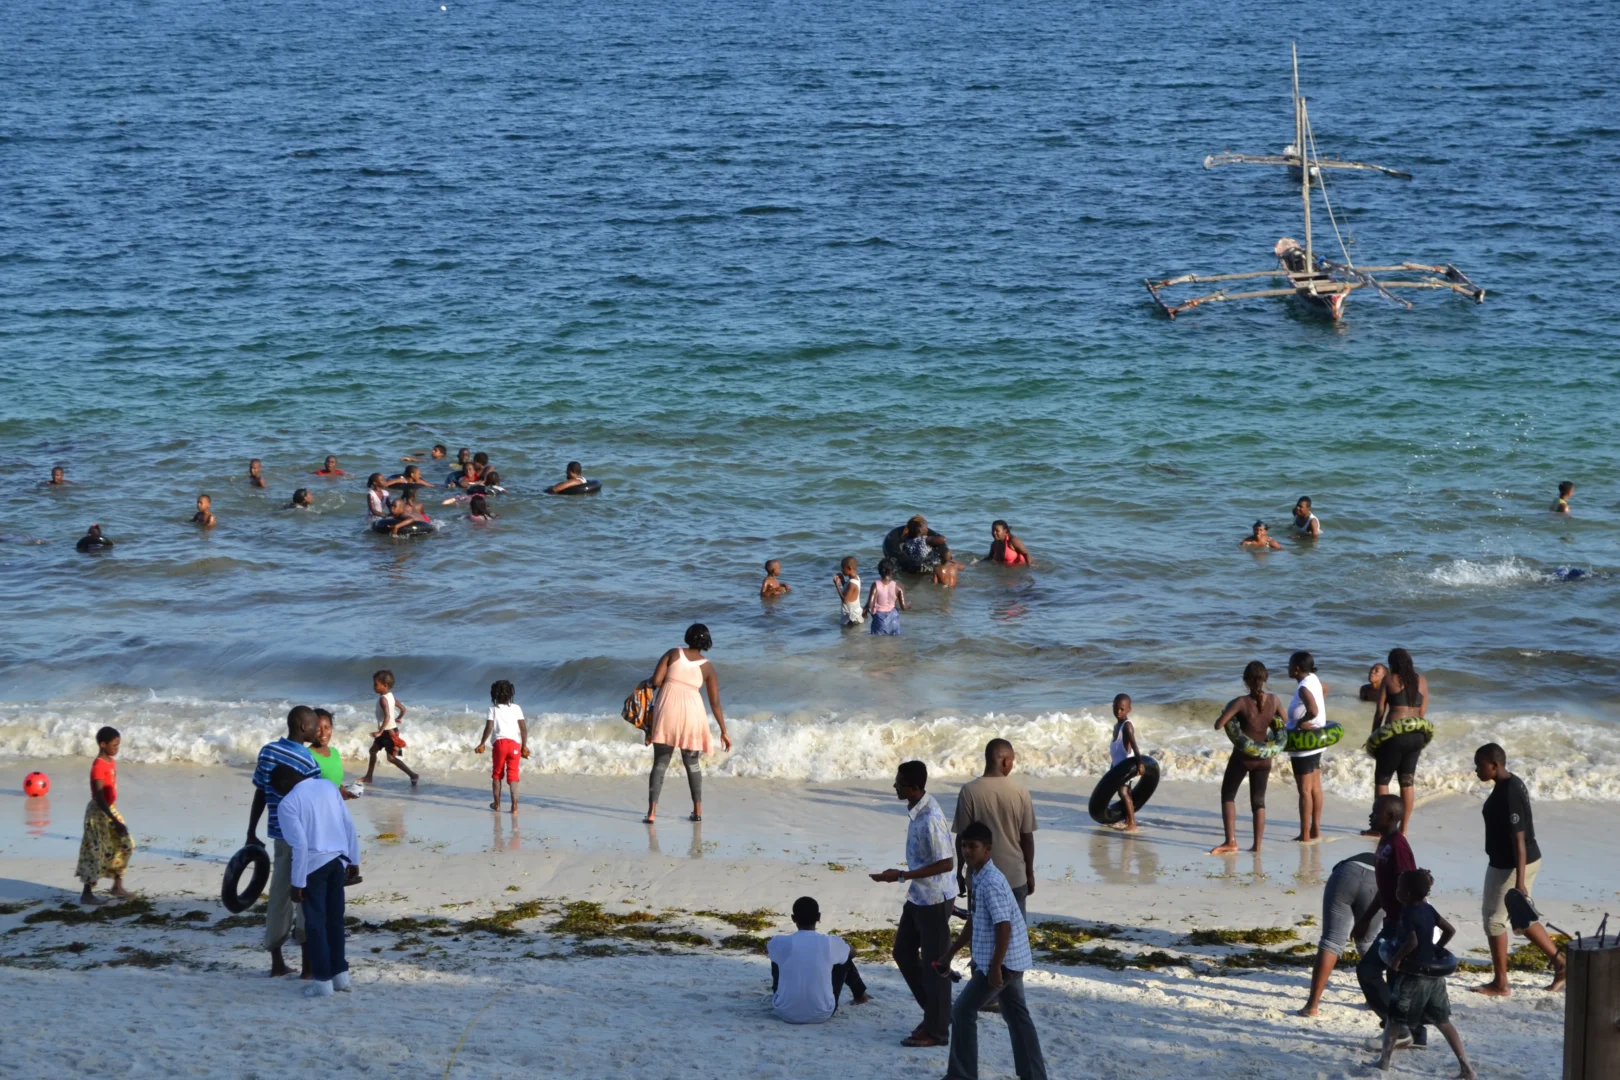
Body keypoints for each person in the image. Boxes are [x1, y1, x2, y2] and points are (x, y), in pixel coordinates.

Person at [939, 821, 1047, 1080]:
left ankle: (961, 1076)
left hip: (1004, 961)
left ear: (987, 849)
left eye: (973, 846)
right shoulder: (978, 876)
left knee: (963, 1011)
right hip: (1011, 958)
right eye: (964, 845)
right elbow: (974, 921)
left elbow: (1004, 927)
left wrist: (997, 967)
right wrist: (949, 954)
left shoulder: (990, 882)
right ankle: (1034, 1075)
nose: (967, 851)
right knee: (1017, 1017)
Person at [870, 760, 955, 1047]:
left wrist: (901, 875)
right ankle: (936, 1014)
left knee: (935, 965)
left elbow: (946, 863)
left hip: (933, 899)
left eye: (899, 782)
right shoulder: (917, 810)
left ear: (915, 788)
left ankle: (938, 1030)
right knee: (902, 953)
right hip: (920, 895)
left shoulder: (929, 817)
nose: (895, 785)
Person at [1470, 743, 1566, 995]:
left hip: (1512, 864)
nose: (1475, 770)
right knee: (1521, 915)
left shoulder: (1509, 791)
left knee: (1493, 921)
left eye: (1479, 765)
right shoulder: (1508, 783)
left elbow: (1518, 840)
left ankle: (1501, 984)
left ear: (1494, 765)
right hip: (1514, 861)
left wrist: (1520, 883)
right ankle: (1562, 964)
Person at [273, 764, 362, 999]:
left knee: (316, 925)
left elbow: (300, 845)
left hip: (314, 868)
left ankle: (322, 981)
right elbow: (348, 824)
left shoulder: (288, 803)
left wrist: (297, 883)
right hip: (338, 861)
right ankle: (341, 976)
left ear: (281, 787)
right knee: (335, 921)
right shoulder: (328, 786)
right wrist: (354, 859)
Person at [247, 705, 323, 978]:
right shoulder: (309, 762)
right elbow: (314, 805)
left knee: (279, 898)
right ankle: (307, 968)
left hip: (279, 837)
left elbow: (260, 792)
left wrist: (251, 831)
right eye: (315, 725)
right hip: (304, 838)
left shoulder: (267, 752)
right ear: (303, 727)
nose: (317, 730)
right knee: (304, 897)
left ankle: (277, 963)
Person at [1378, 870, 1476, 1079]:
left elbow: (1411, 942)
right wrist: (1436, 948)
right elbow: (1450, 930)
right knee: (1443, 1021)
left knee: (1395, 1018)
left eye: (1399, 888)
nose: (1396, 891)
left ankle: (1384, 1062)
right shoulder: (1429, 909)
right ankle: (1466, 1067)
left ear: (1407, 893)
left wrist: (1396, 959)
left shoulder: (1407, 912)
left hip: (1412, 975)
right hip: (1434, 976)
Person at [1352, 795, 1425, 1050]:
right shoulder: (1384, 842)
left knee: (1368, 971)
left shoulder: (1398, 846)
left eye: (1376, 812)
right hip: (1390, 922)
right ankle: (1416, 1034)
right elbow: (1385, 890)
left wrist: (1410, 928)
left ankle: (1399, 1028)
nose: (1371, 816)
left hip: (1401, 925)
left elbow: (1411, 887)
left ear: (1391, 817)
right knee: (1397, 981)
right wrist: (1365, 918)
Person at [643, 624, 730, 823]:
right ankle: (697, 812)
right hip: (693, 714)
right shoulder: (707, 667)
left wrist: (646, 684)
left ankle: (651, 813)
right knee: (692, 763)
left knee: (660, 763)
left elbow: (656, 681)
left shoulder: (673, 653)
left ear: (687, 637)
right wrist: (723, 731)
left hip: (667, 711)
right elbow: (715, 703)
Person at [953, 739, 1037, 913]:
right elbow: (1027, 838)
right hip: (1014, 876)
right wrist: (1029, 872)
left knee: (980, 933)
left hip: (979, 876)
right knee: (1015, 935)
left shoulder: (969, 791)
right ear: (1006, 761)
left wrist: (960, 871)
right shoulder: (1021, 792)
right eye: (1012, 762)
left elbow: (962, 837)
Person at [1210, 661, 1283, 854]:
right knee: (1258, 801)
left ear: (1245, 680)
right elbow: (1285, 724)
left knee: (1228, 795)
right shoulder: (1274, 700)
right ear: (1265, 679)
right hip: (1264, 759)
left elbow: (1219, 725)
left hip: (1243, 758)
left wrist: (1225, 715)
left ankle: (1230, 841)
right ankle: (1257, 846)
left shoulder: (1241, 702)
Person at [1299, 850, 1379, 1015]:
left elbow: (1337, 870)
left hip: (1345, 874)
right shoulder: (1395, 862)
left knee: (1332, 941)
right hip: (1376, 882)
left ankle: (1312, 1006)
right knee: (1367, 942)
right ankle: (1374, 1000)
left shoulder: (1353, 860)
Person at [766, 897, 869, 1023]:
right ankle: (860, 995)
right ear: (818, 917)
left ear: (793, 919)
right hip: (822, 1013)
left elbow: (770, 949)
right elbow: (853, 953)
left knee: (778, 956)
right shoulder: (829, 942)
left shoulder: (779, 942)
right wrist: (841, 947)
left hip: (784, 1011)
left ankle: (784, 995)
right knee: (843, 956)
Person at [1367, 647, 1429, 835]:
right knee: (1407, 781)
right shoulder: (1422, 681)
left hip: (1394, 737)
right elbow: (1422, 712)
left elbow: (1380, 711)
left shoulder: (1389, 679)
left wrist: (1374, 737)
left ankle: (1380, 829)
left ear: (1392, 663)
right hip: (1417, 735)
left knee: (1382, 780)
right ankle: (1403, 829)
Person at [76, 726, 132, 906]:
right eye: (114, 745)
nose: (117, 748)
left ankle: (117, 886)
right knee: (95, 851)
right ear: (103, 744)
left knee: (125, 844)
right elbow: (99, 796)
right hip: (99, 812)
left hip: (110, 808)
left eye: (118, 745)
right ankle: (87, 893)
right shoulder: (98, 765)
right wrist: (115, 821)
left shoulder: (111, 761)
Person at [1286, 651, 1328, 843]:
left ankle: (1304, 835)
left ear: (1296, 669)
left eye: (1289, 665)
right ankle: (1315, 831)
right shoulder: (1314, 678)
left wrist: (1302, 721)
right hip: (1317, 740)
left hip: (1303, 742)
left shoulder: (1303, 687)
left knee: (1304, 790)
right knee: (1315, 788)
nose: (1287, 668)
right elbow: (1324, 690)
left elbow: (1313, 709)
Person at [475, 679, 528, 814]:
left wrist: (482, 743)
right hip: (515, 745)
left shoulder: (492, 709)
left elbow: (489, 727)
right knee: (513, 775)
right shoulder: (516, 708)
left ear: (494, 695)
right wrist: (524, 746)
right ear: (511, 694)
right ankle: (514, 807)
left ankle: (497, 804)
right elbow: (523, 729)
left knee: (497, 774)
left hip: (499, 744)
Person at [362, 670, 419, 785]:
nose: (373, 687)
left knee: (391, 758)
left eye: (375, 684)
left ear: (385, 685)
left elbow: (387, 717)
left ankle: (413, 775)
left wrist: (380, 732)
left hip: (389, 733)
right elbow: (403, 709)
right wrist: (398, 718)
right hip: (388, 731)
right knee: (372, 751)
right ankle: (368, 777)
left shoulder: (383, 699)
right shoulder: (390, 696)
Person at [1108, 694, 1144, 832]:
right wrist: (1112, 767)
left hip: (1127, 766)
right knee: (1126, 792)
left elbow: (1134, 745)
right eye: (1117, 709)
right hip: (1119, 766)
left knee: (1123, 792)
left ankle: (1132, 823)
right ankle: (1128, 820)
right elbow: (1117, 751)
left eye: (1122, 709)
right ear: (1113, 707)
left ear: (1129, 709)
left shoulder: (1127, 726)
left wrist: (1140, 763)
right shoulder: (1116, 726)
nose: (1119, 712)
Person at [865, 558, 909, 636]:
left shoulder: (875, 585)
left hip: (880, 620)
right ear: (892, 571)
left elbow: (870, 604)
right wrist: (910, 605)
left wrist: (864, 609)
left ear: (879, 571)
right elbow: (903, 607)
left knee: (879, 644)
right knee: (893, 644)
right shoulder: (898, 586)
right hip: (894, 620)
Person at [834, 556, 863, 627]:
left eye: (843, 568)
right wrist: (842, 580)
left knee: (849, 637)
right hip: (854, 614)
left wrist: (837, 585)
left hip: (851, 618)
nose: (841, 570)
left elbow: (845, 600)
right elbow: (847, 590)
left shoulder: (852, 584)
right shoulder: (856, 578)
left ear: (849, 568)